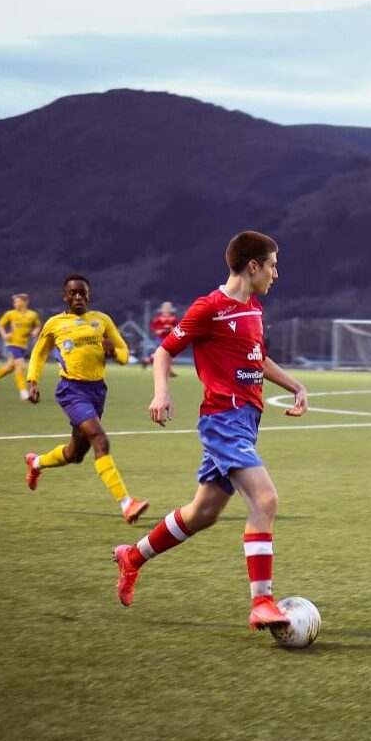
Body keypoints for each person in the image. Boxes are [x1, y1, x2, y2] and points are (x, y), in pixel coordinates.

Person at [117, 230, 309, 633]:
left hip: (245, 422)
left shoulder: (254, 310)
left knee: (202, 513)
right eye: (273, 264)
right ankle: (262, 601)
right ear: (252, 266)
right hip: (223, 420)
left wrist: (295, 386)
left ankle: (132, 557)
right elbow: (164, 350)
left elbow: (257, 359)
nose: (277, 273)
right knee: (266, 499)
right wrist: (161, 392)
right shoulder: (209, 308)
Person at [22, 274, 148, 523]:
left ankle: (36, 463)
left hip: (97, 391)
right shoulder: (55, 324)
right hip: (72, 390)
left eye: (82, 293)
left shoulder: (101, 320)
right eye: (73, 293)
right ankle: (126, 503)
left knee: (74, 454)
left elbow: (124, 352)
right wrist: (32, 381)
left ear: (88, 295)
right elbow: (39, 353)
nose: (78, 297)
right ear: (65, 296)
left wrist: (114, 352)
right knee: (100, 439)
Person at [0, 293, 41, 399]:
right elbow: (0, 325)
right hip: (12, 344)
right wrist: (4, 335)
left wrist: (35, 331)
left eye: (17, 301)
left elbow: (38, 325)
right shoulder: (10, 313)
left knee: (10, 367)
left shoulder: (32, 314)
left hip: (23, 345)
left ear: (25, 302)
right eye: (14, 301)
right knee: (20, 367)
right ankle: (24, 393)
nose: (15, 303)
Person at [146, 301, 180, 376]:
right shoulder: (158, 318)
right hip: (160, 339)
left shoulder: (173, 318)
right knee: (163, 354)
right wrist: (157, 331)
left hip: (170, 339)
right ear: (162, 308)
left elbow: (178, 327)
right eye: (165, 307)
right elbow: (153, 326)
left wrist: (172, 328)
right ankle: (168, 370)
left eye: (168, 307)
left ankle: (148, 360)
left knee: (168, 354)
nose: (167, 309)